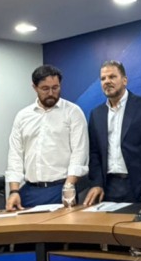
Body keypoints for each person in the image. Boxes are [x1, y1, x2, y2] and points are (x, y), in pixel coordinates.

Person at [82, 61, 141, 207]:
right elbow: (94, 153)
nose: (107, 81)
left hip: (140, 186)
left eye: (112, 77)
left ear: (124, 80)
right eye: (103, 78)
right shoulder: (97, 114)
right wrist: (97, 183)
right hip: (108, 188)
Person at [5, 65, 88, 210]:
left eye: (55, 88)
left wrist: (69, 187)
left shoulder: (73, 112)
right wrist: (14, 191)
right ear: (34, 87)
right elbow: (15, 155)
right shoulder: (23, 116)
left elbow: (79, 152)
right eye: (45, 89)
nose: (51, 93)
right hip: (29, 190)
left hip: (61, 188)